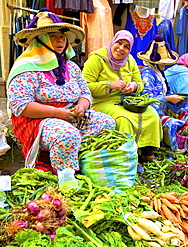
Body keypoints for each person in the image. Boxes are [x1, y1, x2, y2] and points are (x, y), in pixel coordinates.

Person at [7, 9, 116, 172]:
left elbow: (85, 93)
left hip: (71, 115)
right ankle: (65, 176)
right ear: (40, 40)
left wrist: (82, 106)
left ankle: (84, 161)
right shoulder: (27, 69)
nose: (60, 41)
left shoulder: (71, 67)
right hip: (38, 120)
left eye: (62, 37)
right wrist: (58, 113)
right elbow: (20, 105)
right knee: (66, 135)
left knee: (107, 123)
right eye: (53, 36)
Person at [82, 30, 162, 161]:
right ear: (113, 42)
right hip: (101, 102)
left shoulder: (130, 60)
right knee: (123, 119)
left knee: (151, 114)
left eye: (126, 47)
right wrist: (109, 85)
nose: (121, 49)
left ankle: (146, 152)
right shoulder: (97, 58)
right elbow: (84, 86)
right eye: (119, 43)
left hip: (126, 101)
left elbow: (140, 83)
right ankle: (127, 156)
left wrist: (134, 86)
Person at [138, 36, 188, 150]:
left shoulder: (159, 72)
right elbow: (148, 98)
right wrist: (168, 99)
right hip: (152, 112)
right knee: (172, 123)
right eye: (162, 64)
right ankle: (171, 147)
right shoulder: (147, 74)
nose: (164, 66)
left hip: (163, 108)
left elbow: (166, 91)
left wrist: (177, 97)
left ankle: (182, 143)